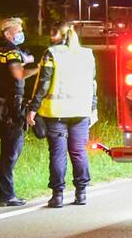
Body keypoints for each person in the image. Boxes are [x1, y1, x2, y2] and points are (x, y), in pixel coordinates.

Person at [25, 23, 97, 208]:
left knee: (58, 154)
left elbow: (43, 83)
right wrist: (93, 109)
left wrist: (33, 108)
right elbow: (93, 83)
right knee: (79, 152)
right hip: (81, 112)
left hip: (56, 113)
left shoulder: (52, 53)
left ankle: (57, 196)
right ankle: (81, 193)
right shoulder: (87, 54)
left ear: (60, 35)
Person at [0, 17, 38, 206]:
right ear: (7, 33)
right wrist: (39, 68)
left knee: (8, 149)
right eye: (18, 30)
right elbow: (19, 74)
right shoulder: (12, 50)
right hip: (12, 105)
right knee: (12, 151)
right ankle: (6, 195)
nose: (21, 33)